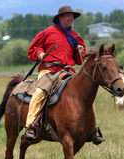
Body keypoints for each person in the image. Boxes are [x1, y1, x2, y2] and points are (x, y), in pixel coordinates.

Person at [24, 5, 105, 145]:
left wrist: (79, 51)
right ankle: (31, 125)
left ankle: (91, 129)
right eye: (68, 15)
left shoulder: (76, 38)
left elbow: (79, 61)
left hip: (68, 72)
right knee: (39, 92)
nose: (71, 18)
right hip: (49, 71)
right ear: (60, 18)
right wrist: (40, 53)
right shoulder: (47, 33)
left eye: (72, 16)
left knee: (86, 97)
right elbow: (33, 49)